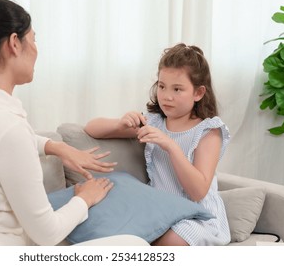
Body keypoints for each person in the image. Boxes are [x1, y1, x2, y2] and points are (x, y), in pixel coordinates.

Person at [0, 0, 116, 246]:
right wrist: (85, 198)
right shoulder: (8, 128)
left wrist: (57, 147)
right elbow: (47, 234)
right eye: (34, 38)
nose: (37, 48)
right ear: (14, 43)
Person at [84, 43, 231, 246]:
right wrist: (119, 123)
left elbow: (198, 191)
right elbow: (91, 128)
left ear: (198, 93)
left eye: (177, 89)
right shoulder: (153, 122)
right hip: (159, 211)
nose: (166, 96)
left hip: (197, 217)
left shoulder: (209, 131)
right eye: (162, 86)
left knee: (171, 241)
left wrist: (171, 146)